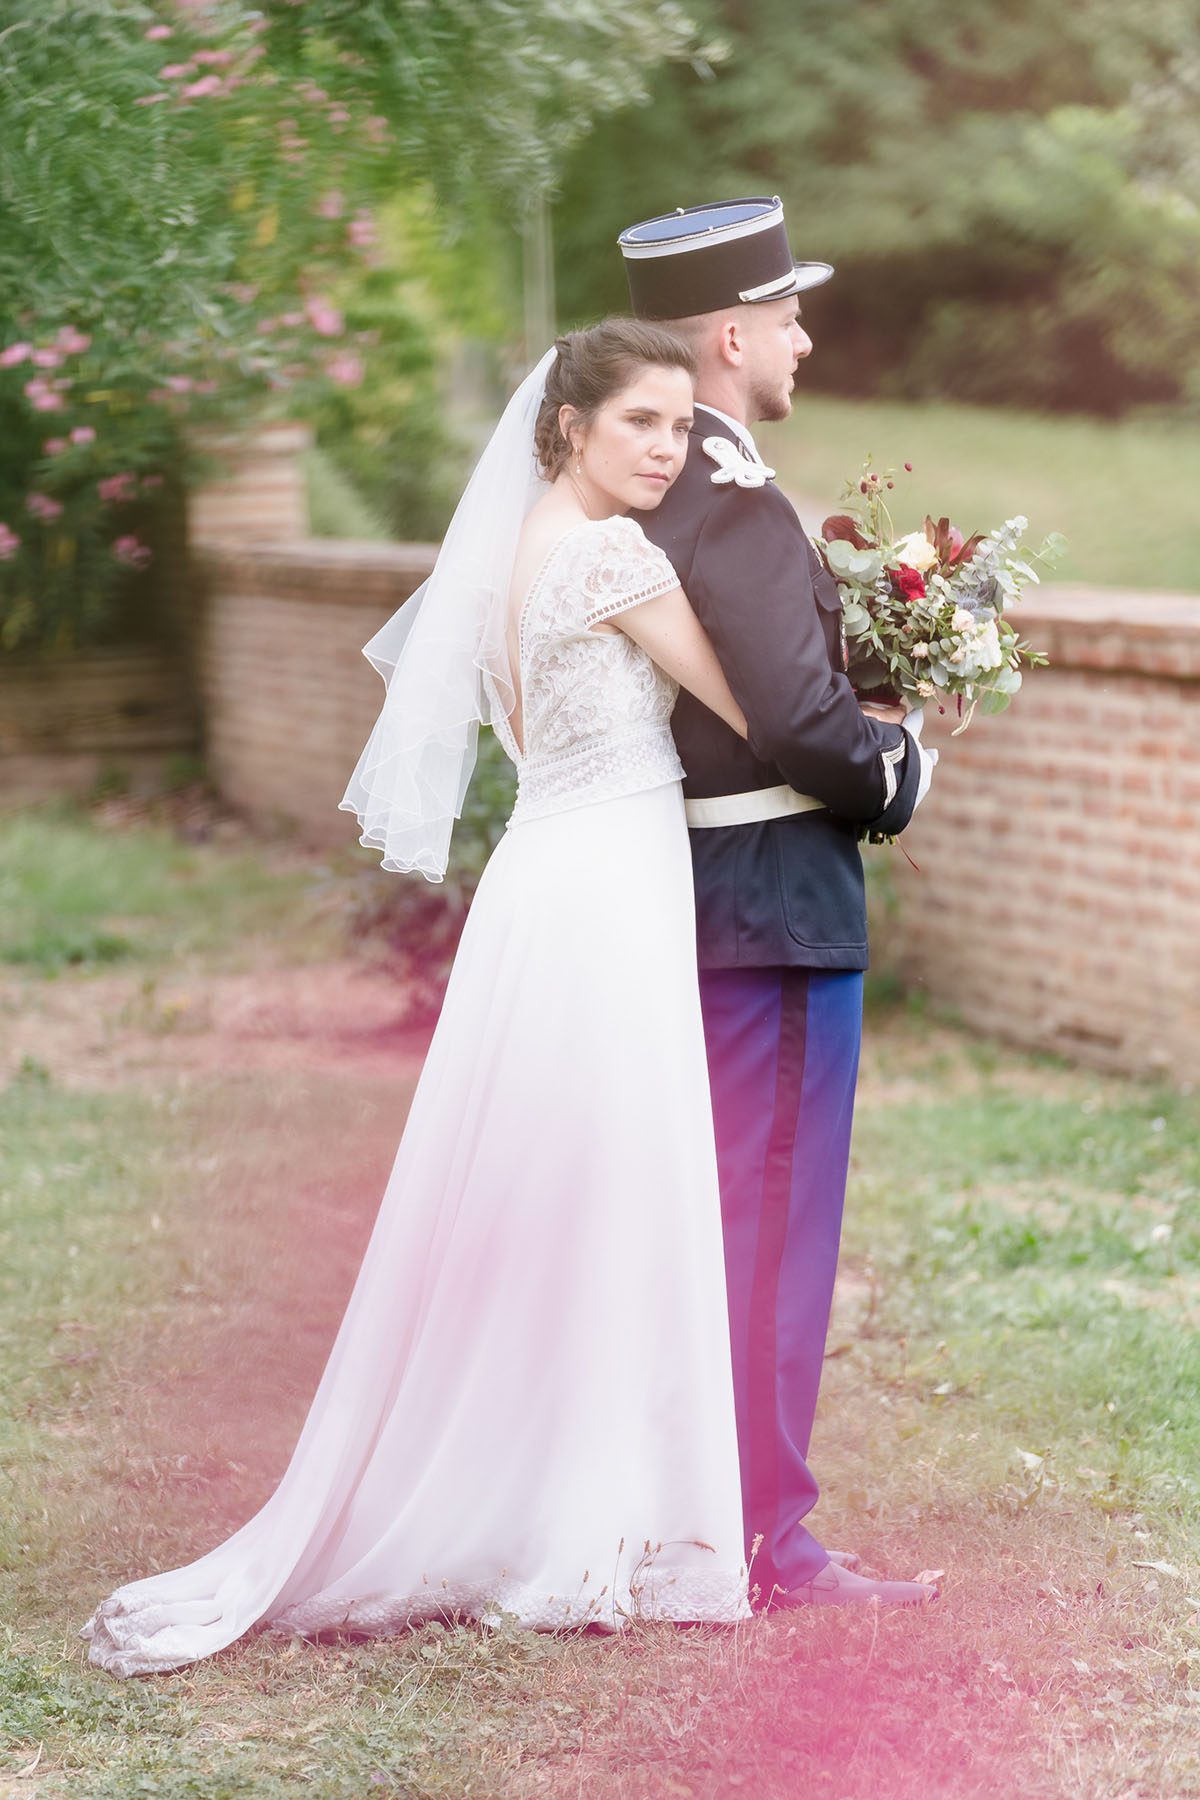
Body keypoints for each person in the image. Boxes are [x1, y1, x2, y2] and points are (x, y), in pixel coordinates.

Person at [81, 319, 761, 1677]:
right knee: (607, 1188)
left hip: (548, 884)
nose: (666, 450)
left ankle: (563, 1491)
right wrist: (907, 697)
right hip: (601, 897)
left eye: (682, 430)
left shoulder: (522, 553)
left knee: (552, 1191)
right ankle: (587, 1521)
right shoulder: (611, 555)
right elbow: (750, 701)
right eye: (640, 423)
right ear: (566, 427)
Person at [619, 197, 939, 1609]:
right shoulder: (731, 497)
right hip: (775, 915)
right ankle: (765, 1536)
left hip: (712, 907)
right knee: (771, 1229)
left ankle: (707, 1509)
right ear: (731, 335)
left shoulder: (662, 486)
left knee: (724, 1222)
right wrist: (904, 763)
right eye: (791, 316)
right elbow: (799, 723)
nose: (806, 339)